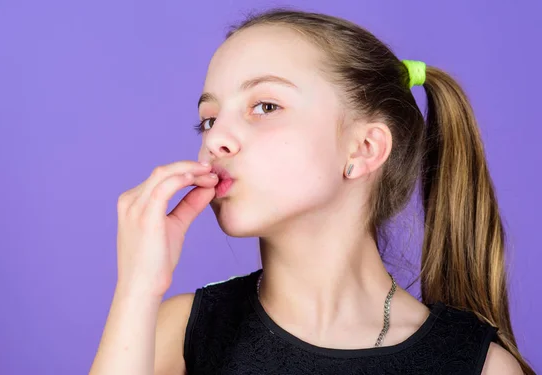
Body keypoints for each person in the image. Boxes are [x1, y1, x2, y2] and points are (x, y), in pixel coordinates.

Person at [89, 8, 534, 375]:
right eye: (208, 119)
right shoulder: (178, 333)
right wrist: (138, 286)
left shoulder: (482, 368)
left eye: (265, 106)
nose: (216, 138)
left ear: (364, 148)